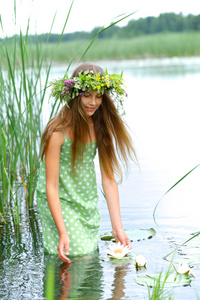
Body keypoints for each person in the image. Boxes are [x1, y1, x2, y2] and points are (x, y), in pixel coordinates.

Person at [36, 62, 137, 263]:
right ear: (75, 94)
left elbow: (108, 180)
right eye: (87, 95)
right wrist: (62, 231)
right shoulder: (57, 131)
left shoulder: (100, 127)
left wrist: (118, 229)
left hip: (84, 198)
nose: (93, 102)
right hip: (59, 199)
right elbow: (51, 186)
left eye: (98, 96)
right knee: (74, 254)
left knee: (89, 255)